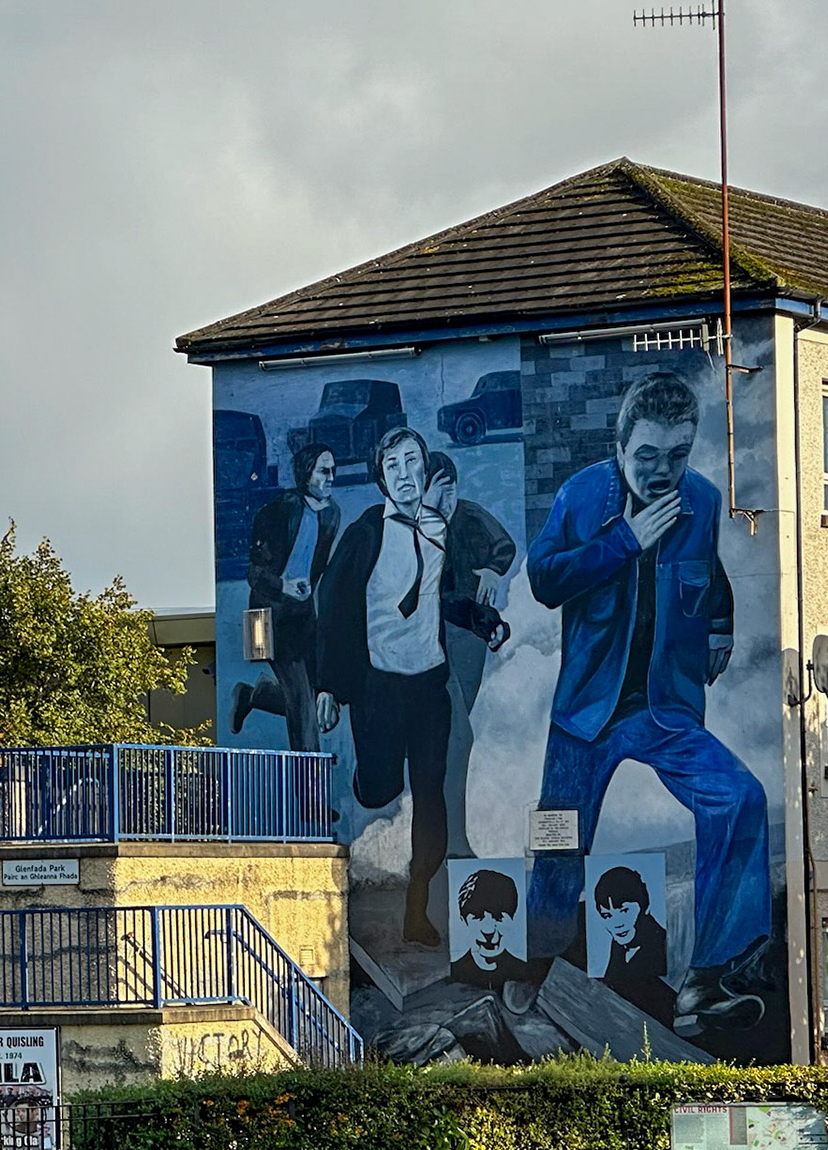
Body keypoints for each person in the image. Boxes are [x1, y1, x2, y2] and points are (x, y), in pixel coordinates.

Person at [525, 372, 769, 1038]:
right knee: (557, 844)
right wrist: (625, 541)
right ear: (620, 444)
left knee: (740, 797)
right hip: (586, 714)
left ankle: (707, 980)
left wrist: (720, 626)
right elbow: (545, 578)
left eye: (677, 456)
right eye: (647, 457)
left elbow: (709, 573)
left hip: (663, 709)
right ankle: (534, 966)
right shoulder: (581, 495)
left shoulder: (702, 500)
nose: (663, 472)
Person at [315, 428, 509, 945]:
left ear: (425, 471)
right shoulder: (364, 533)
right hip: (378, 687)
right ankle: (369, 779)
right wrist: (330, 686)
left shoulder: (438, 531)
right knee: (383, 789)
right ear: (381, 475)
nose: (406, 475)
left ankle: (417, 908)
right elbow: (332, 606)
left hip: (428, 686)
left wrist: (484, 621)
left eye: (414, 464)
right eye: (395, 465)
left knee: (431, 793)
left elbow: (444, 599)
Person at [426, 451, 517, 856]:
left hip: (470, 638)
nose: (447, 501)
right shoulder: (413, 530)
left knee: (452, 733)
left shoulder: (470, 517)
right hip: (430, 642)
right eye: (438, 492)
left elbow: (505, 545)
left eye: (452, 491)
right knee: (456, 735)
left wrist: (494, 572)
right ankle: (452, 841)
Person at [231, 443, 342, 749]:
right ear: (307, 475)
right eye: (324, 471)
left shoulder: (332, 514)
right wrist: (283, 585)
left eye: (333, 470)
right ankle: (311, 790)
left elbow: (317, 568)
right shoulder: (278, 511)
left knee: (317, 704)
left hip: (304, 616)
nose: (332, 477)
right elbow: (253, 573)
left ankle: (257, 695)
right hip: (266, 617)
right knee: (305, 708)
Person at [589, 865, 674, 1028]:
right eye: (607, 915)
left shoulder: (662, 944)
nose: (617, 923)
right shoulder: (619, 946)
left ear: (645, 906)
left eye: (624, 911)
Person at [451, 866, 541, 989]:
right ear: (463, 919)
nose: (488, 930)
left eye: (499, 917)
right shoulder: (453, 973)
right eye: (477, 917)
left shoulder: (526, 975)